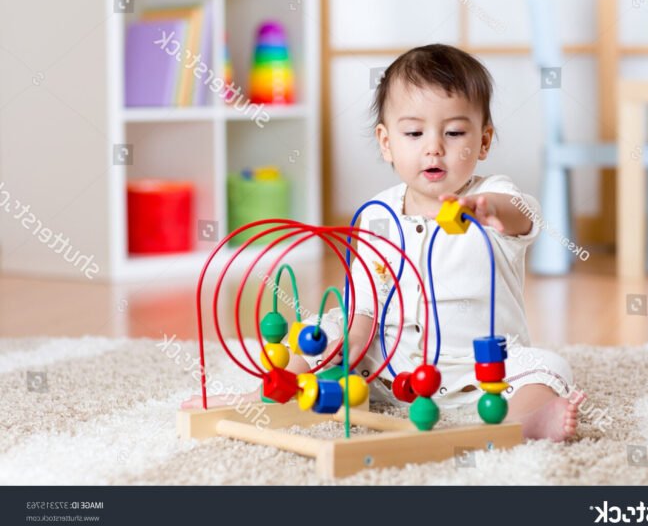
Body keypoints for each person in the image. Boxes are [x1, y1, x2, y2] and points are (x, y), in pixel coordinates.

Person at [185, 44, 583, 442]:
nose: (434, 147)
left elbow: (521, 214)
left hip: (481, 373)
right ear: (386, 142)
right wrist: (355, 340)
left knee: (547, 367)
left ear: (483, 141)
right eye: (413, 132)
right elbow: (365, 297)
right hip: (387, 370)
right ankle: (262, 396)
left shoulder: (492, 197)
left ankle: (525, 421)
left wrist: (484, 209)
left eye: (455, 132)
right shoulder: (377, 214)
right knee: (318, 336)